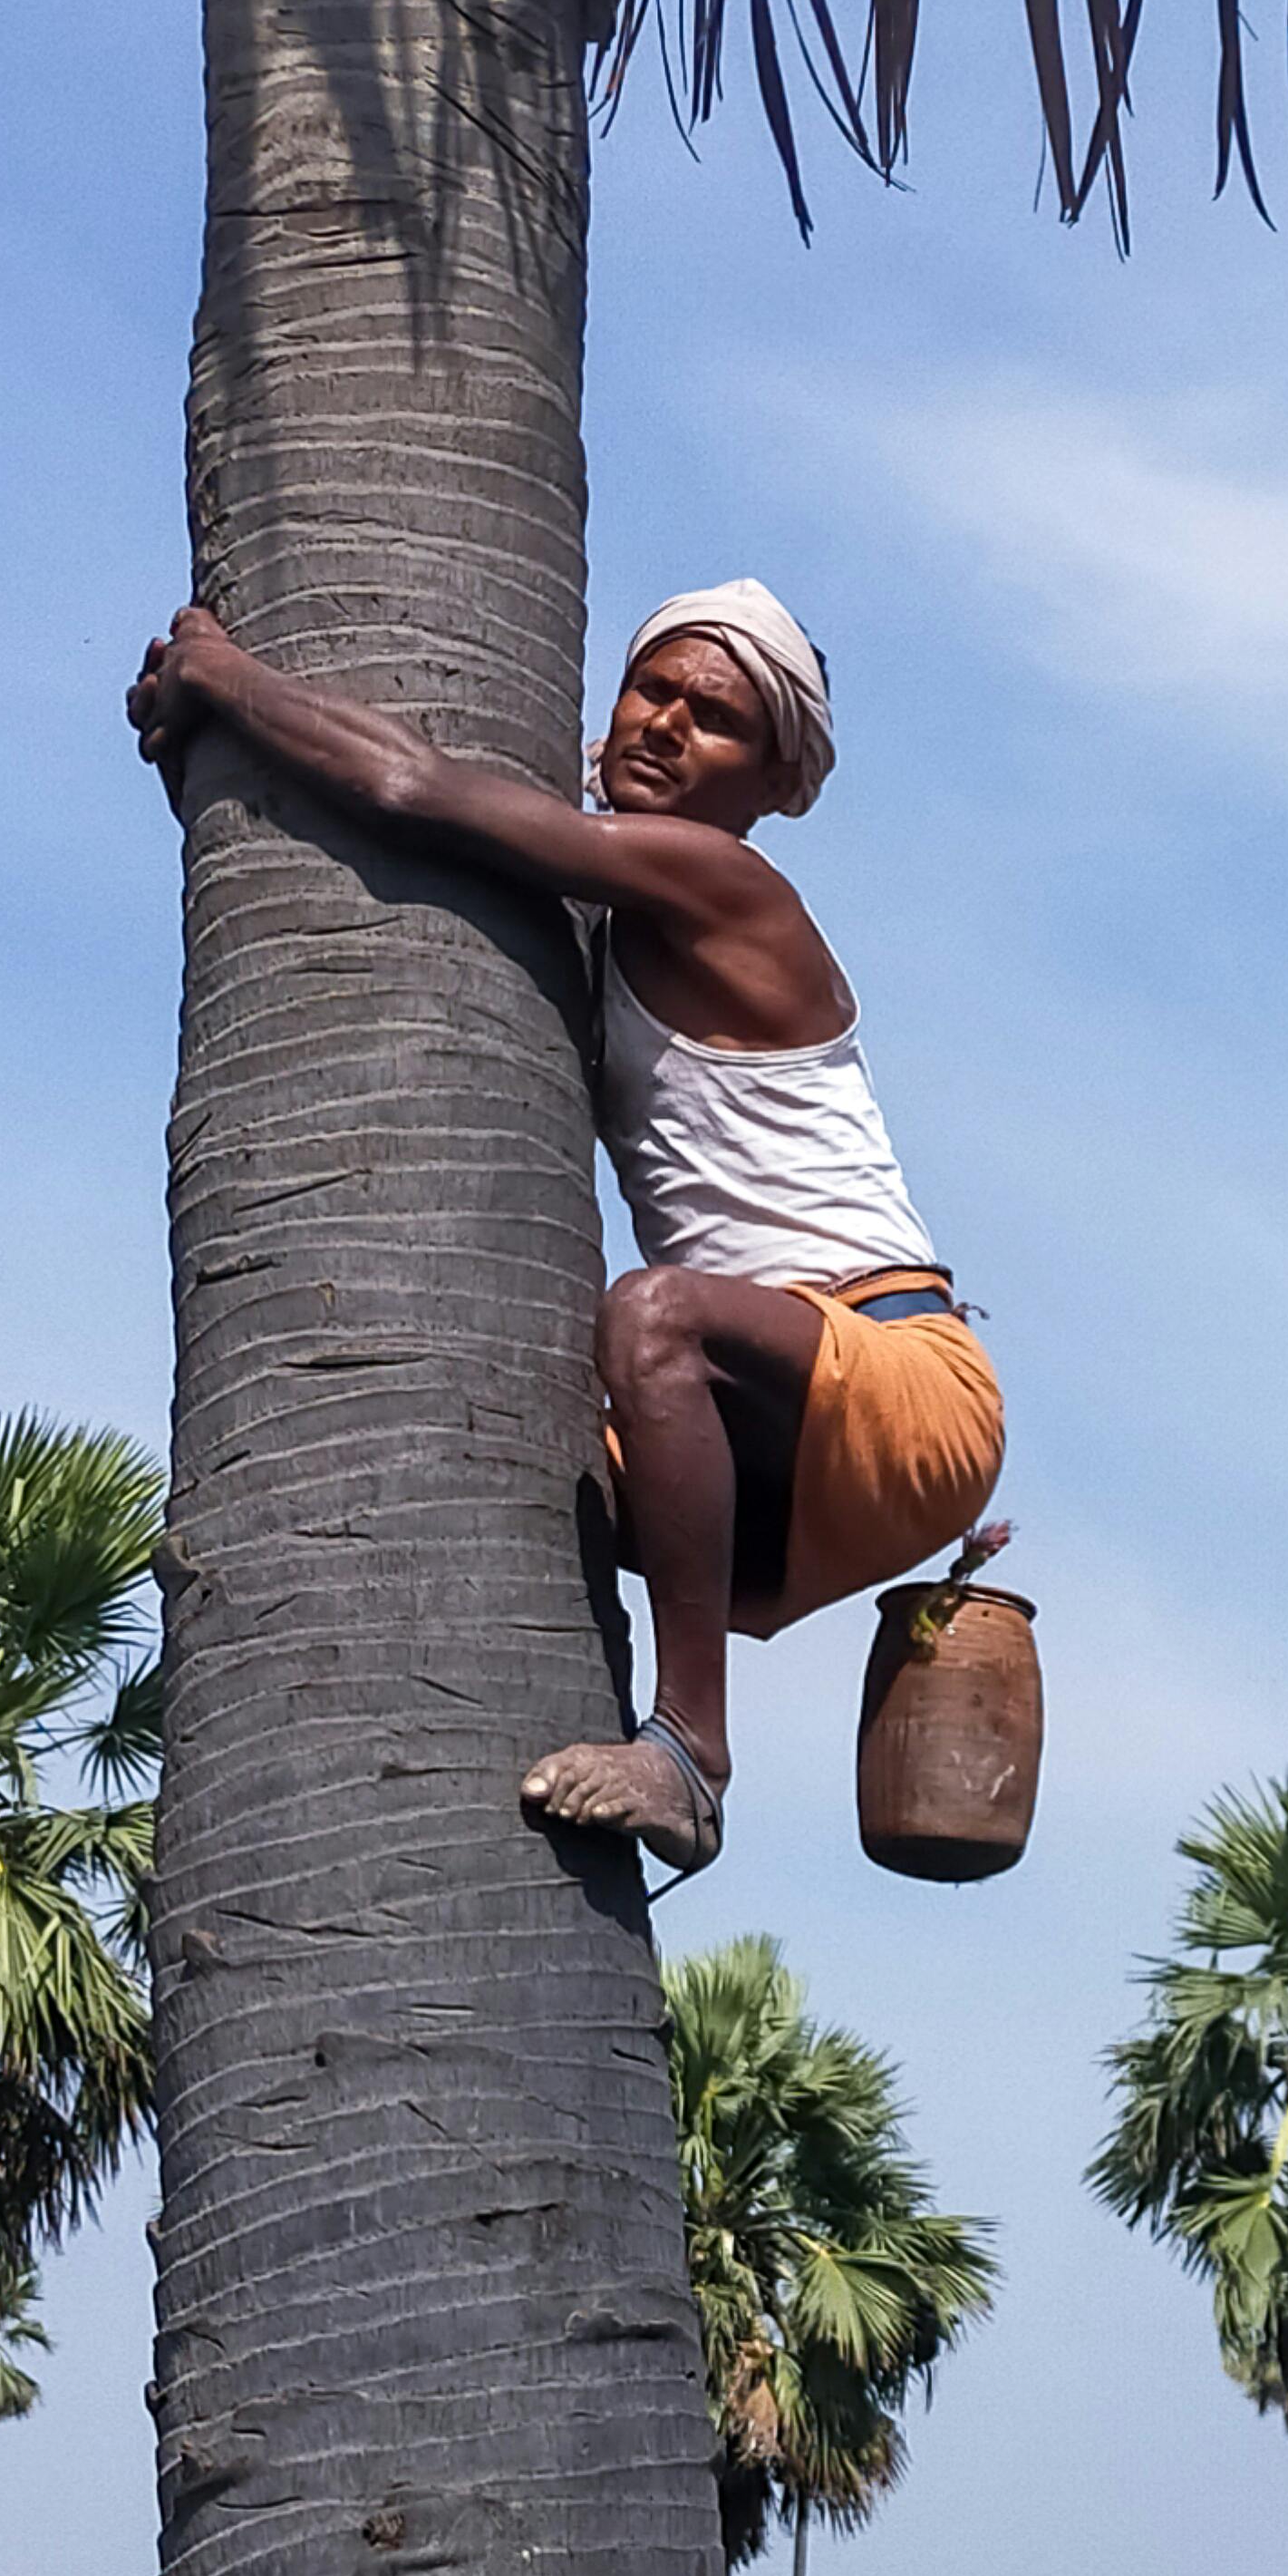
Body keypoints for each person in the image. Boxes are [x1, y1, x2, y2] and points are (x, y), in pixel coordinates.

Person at [131, 578, 1002, 1881]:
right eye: (655, 688)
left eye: (713, 720)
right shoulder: (599, 910)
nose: (665, 724)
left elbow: (417, 794)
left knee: (650, 1314)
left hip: (899, 1375)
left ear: (775, 787)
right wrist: (205, 766)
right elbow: (373, 853)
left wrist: (225, 681)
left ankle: (690, 1755)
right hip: (791, 1424)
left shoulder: (720, 881)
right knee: (514, 1461)